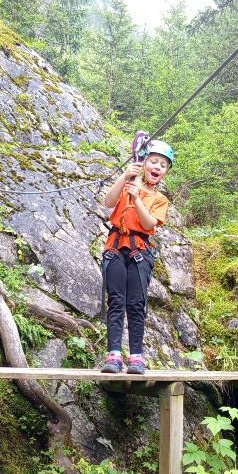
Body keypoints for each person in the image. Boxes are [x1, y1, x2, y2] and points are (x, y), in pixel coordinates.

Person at [100, 140, 172, 374]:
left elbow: (149, 223)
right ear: (144, 164)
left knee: (135, 304)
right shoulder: (127, 183)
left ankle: (137, 358)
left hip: (140, 250)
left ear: (165, 172)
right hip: (115, 247)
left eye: (162, 165)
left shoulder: (160, 199)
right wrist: (124, 178)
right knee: (117, 301)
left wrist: (138, 198)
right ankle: (113, 355)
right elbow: (108, 202)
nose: (157, 167)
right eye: (153, 161)